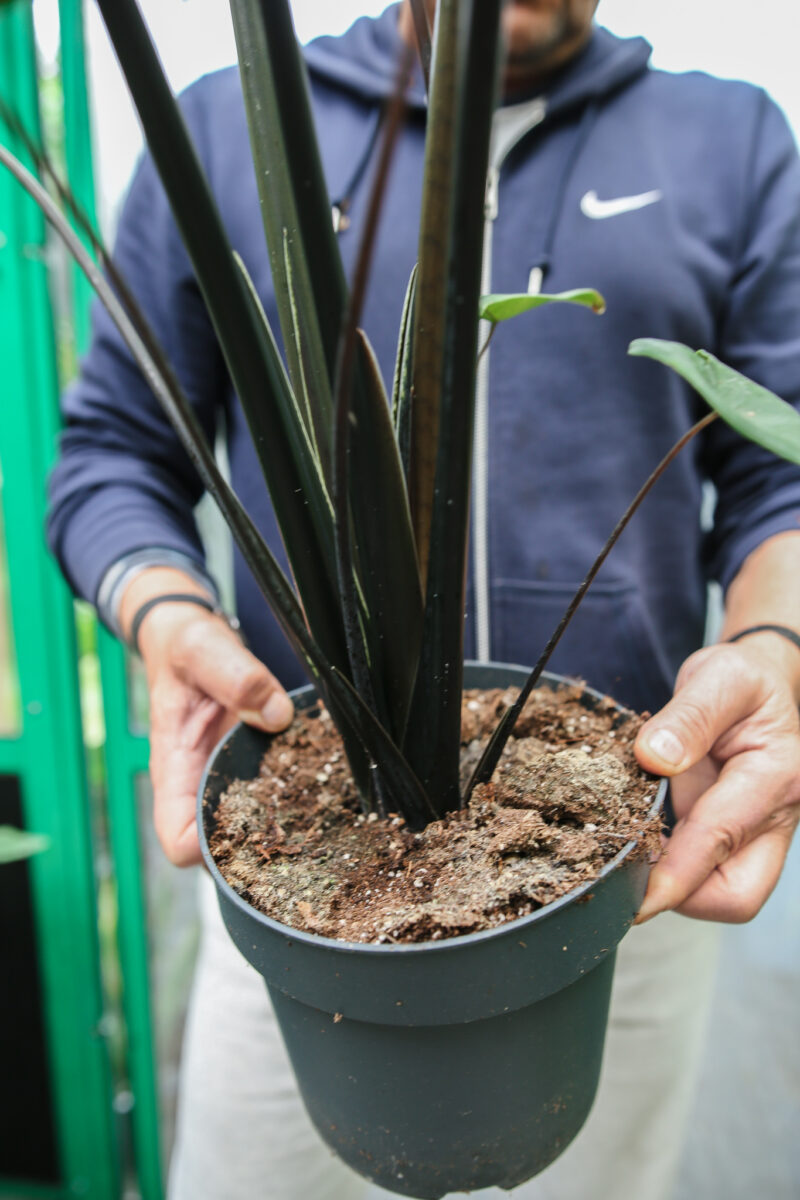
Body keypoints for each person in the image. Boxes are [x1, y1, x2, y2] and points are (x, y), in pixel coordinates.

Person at [48, 1, 800, 1197]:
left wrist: (772, 643)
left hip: (626, 859)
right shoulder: (230, 129)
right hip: (303, 869)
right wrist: (162, 612)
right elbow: (113, 452)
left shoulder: (728, 138)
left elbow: (780, 475)